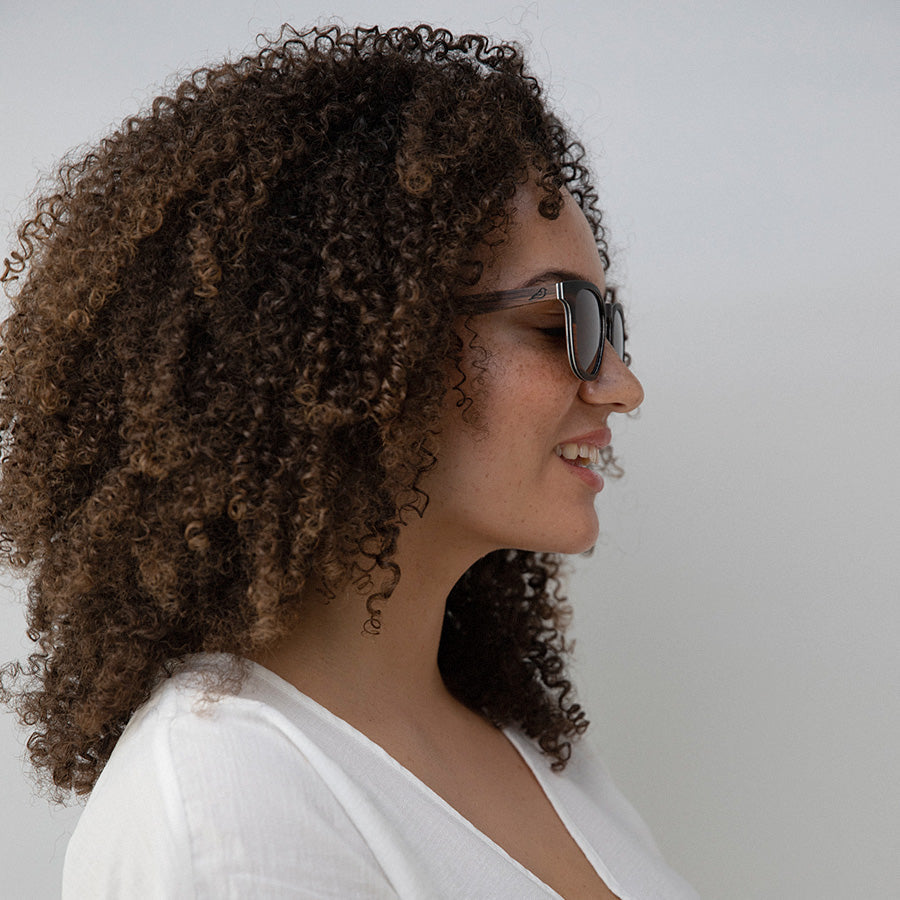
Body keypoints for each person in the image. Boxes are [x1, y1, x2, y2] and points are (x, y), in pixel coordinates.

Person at [0, 24, 698, 899]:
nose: (622, 387)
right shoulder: (224, 801)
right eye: (566, 324)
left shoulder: (536, 752)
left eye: (612, 329)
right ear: (358, 347)